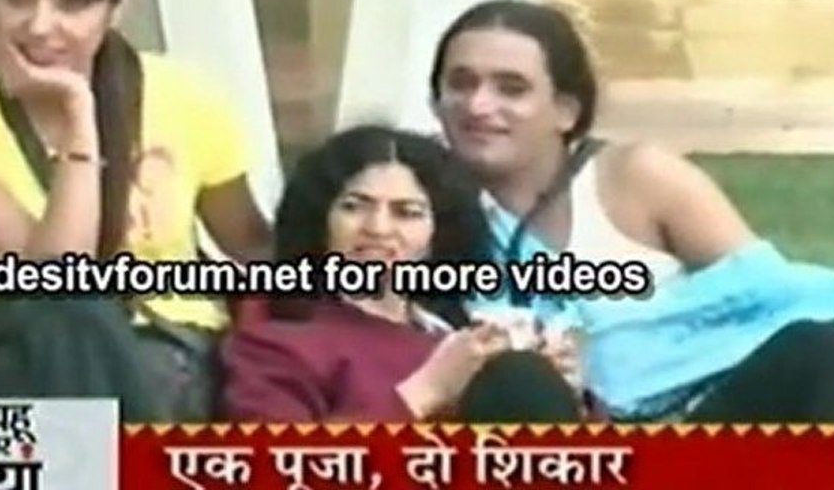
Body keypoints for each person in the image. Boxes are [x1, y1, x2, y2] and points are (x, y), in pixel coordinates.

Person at [428, 0, 834, 423]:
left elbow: (780, 300)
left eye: (512, 89)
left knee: (819, 349)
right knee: (518, 379)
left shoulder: (636, 179)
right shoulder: (418, 206)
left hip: (708, 433)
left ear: (566, 110)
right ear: (436, 100)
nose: (478, 105)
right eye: (460, 84)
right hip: (560, 448)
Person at [0, 0, 271, 420]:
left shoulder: (187, 95)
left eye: (71, 2)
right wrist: (78, 115)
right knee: (71, 330)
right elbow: (53, 285)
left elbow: (253, 246)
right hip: (30, 358)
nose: (39, 25)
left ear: (118, 4)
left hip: (173, 352)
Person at [221, 125, 587, 422]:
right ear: (320, 219)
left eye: (406, 213)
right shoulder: (277, 343)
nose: (378, 228)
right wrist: (424, 392)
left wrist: (566, 392)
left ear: (438, 233)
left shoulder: (458, 340)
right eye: (354, 207)